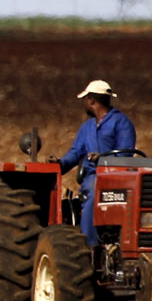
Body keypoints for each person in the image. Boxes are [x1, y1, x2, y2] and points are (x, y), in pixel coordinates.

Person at [55, 80, 136, 246]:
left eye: (85, 100)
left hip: (117, 177)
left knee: (95, 196)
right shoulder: (87, 128)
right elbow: (75, 152)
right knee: (91, 192)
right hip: (93, 176)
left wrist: (103, 160)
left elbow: (126, 154)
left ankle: (90, 246)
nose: (84, 104)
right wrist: (59, 164)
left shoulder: (121, 123)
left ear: (92, 101)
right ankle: (89, 244)